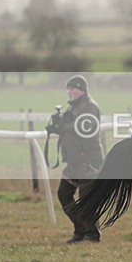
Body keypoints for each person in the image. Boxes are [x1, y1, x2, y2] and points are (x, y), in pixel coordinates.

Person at [51, 75, 105, 243]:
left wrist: (63, 126)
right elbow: (71, 127)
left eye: (72, 88)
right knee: (63, 194)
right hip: (74, 160)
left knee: (85, 196)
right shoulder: (74, 107)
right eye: (68, 89)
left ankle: (91, 234)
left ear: (81, 89)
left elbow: (85, 128)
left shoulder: (90, 107)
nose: (69, 92)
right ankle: (81, 229)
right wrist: (57, 126)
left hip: (88, 157)